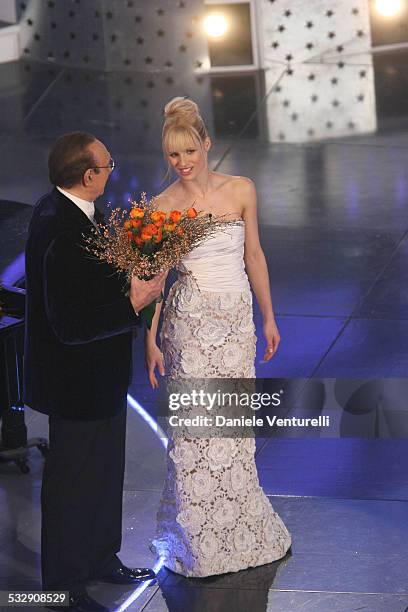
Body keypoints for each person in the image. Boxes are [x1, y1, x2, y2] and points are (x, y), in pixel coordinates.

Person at [146, 98, 292, 577]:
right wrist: (150, 339)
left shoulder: (241, 190)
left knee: (231, 427)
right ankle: (198, 538)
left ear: (206, 144)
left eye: (189, 151)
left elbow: (255, 255)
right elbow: (156, 279)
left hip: (235, 325)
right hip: (188, 329)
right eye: (173, 155)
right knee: (194, 431)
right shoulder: (161, 207)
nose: (182, 162)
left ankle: (239, 525)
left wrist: (268, 317)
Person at [24, 132, 166, 612]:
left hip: (101, 380)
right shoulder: (63, 232)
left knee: (105, 476)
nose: (112, 171)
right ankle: (63, 585)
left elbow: (91, 289)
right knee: (71, 487)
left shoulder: (79, 212)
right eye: (108, 165)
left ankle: (101, 557)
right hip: (75, 386)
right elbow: (70, 325)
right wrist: (133, 303)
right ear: (89, 176)